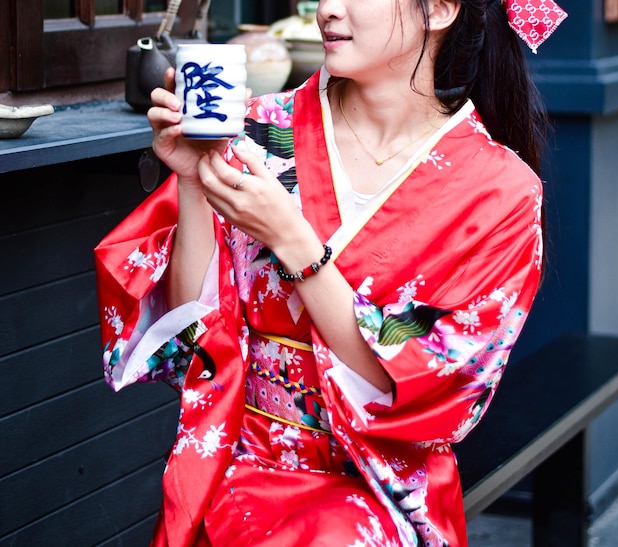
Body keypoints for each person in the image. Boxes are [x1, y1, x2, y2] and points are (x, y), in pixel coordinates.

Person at [95, 0, 567, 545]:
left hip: (383, 483)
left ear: (437, 9)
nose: (328, 9)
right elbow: (195, 347)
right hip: (244, 464)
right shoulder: (258, 129)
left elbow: (437, 393)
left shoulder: (499, 194)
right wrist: (194, 181)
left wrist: (294, 243)